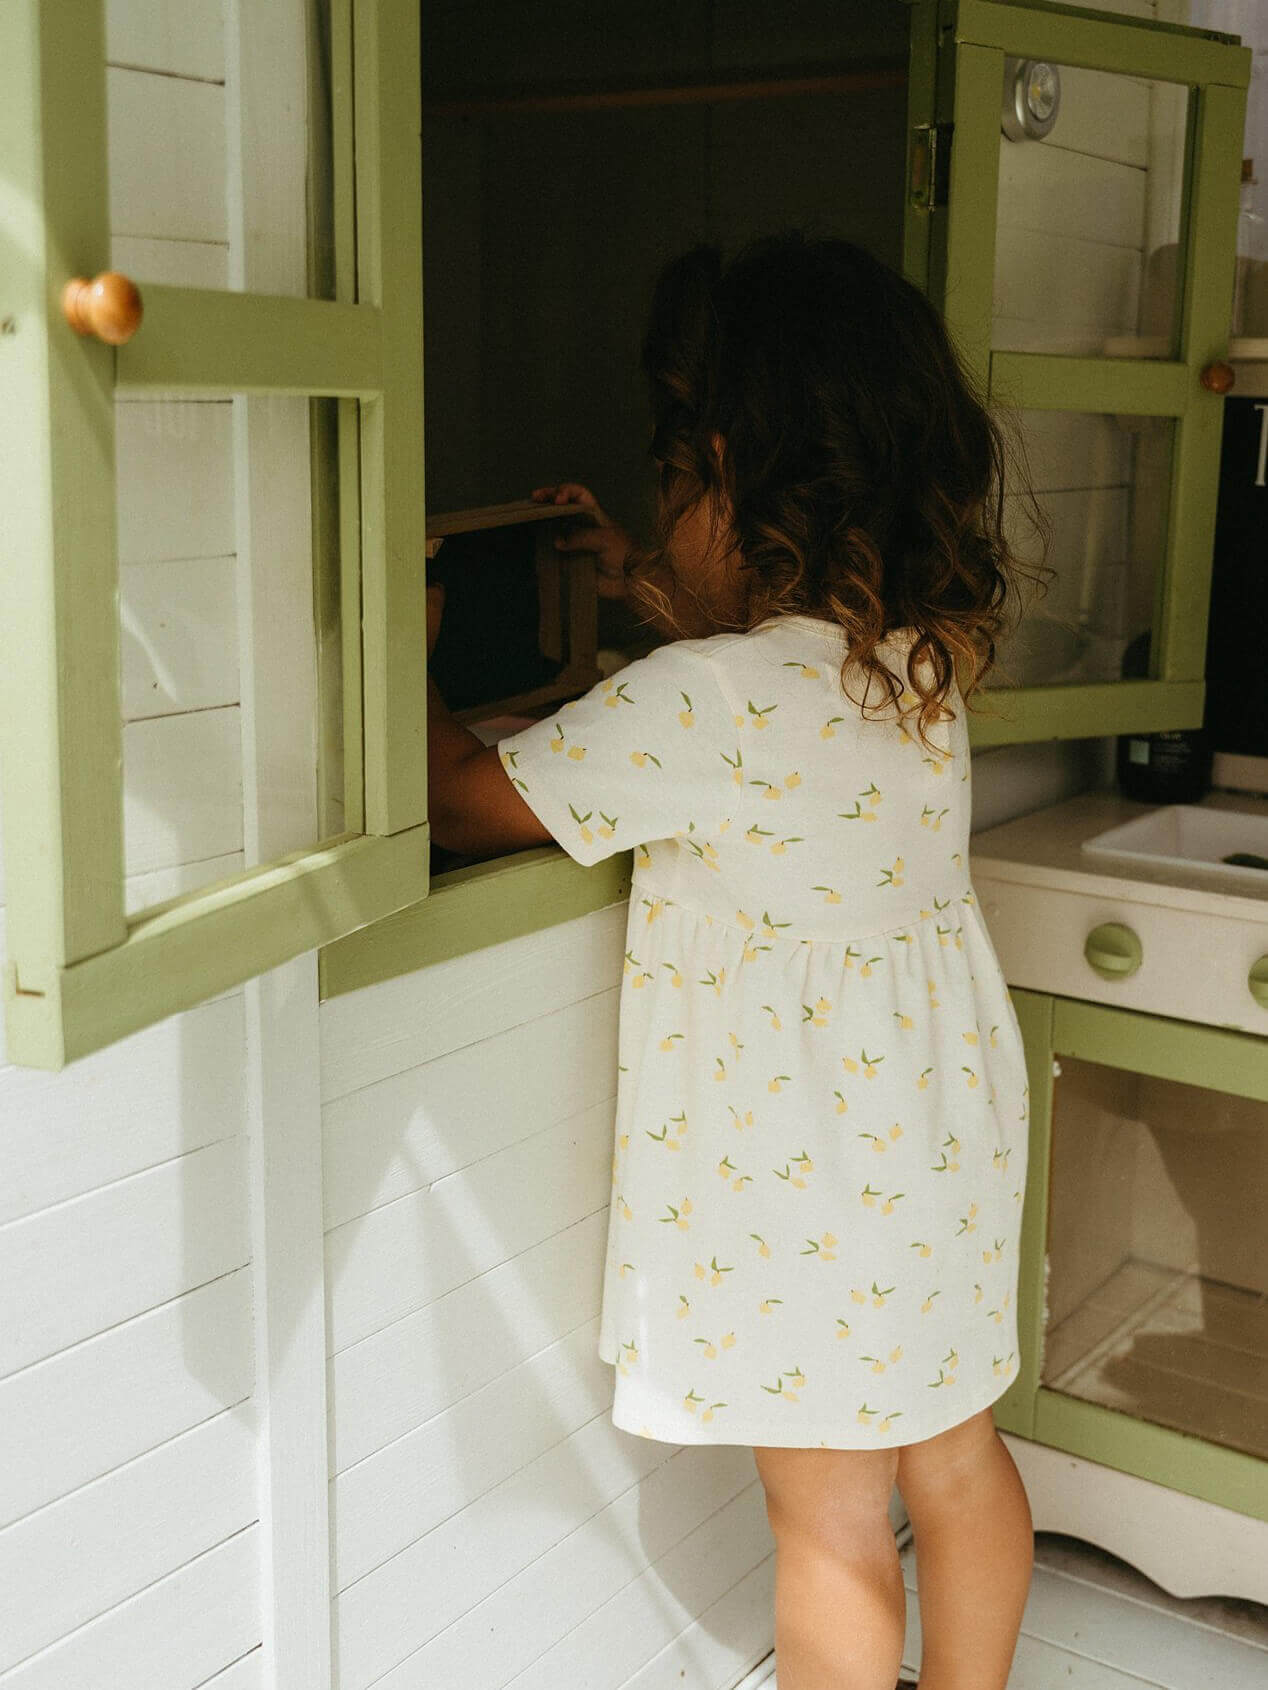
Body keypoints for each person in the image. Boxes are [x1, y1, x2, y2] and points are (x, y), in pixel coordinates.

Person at [424, 231, 1053, 1690]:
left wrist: (403, 646)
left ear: (720, 464)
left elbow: (467, 797)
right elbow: (756, 700)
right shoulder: (919, 666)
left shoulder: (697, 704)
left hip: (813, 1185)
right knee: (955, 1461)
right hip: (937, 1157)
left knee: (828, 1522)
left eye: (671, 484)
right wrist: (642, 576)